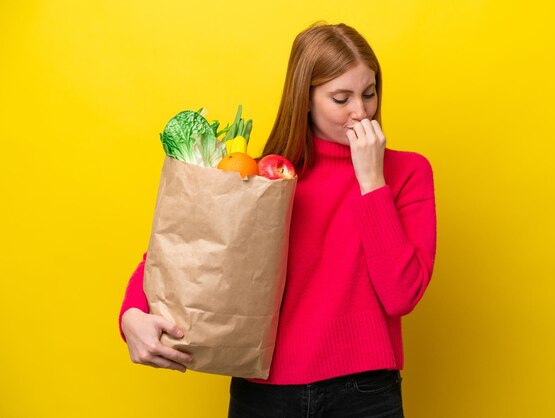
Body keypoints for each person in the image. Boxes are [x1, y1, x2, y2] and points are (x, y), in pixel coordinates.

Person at [119, 21, 437, 417]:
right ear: (305, 99)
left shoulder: (408, 173)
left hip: (365, 394)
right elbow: (183, 248)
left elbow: (401, 294)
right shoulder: (266, 174)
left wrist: (371, 181)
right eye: (341, 98)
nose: (361, 112)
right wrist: (131, 313)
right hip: (265, 395)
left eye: (369, 94)